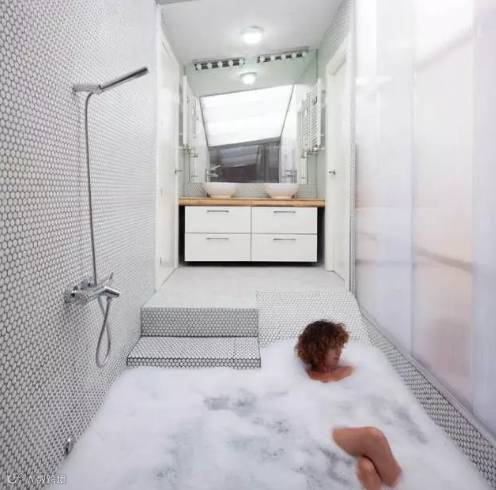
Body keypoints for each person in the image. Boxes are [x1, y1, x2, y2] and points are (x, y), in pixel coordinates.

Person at [296, 320, 402, 490]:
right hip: (327, 430)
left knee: (366, 468)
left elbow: (373, 399)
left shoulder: (350, 371)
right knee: (373, 436)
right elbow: (305, 414)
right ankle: (402, 484)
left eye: (340, 345)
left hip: (356, 424)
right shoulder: (302, 378)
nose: (339, 351)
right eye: (333, 347)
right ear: (318, 349)